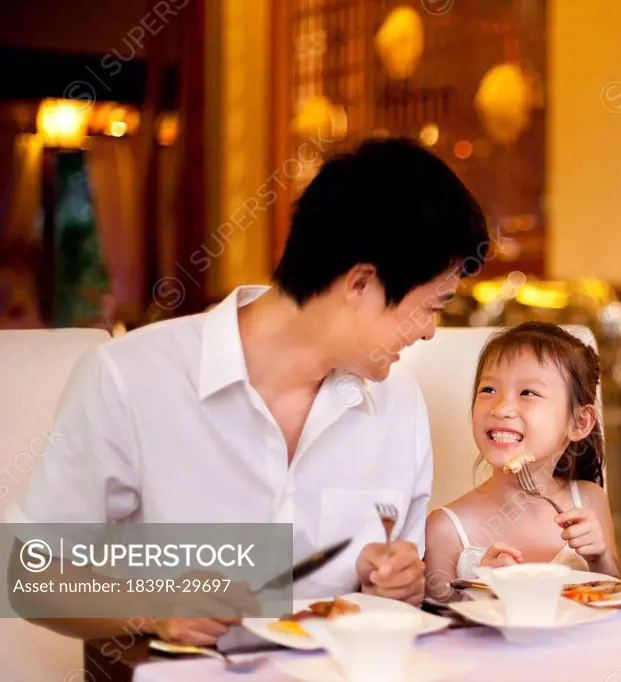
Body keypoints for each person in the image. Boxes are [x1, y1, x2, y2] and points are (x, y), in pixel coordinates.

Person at [6, 137, 490, 644]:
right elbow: (28, 573)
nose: (431, 330)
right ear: (361, 284)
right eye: (432, 306)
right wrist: (153, 606)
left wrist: (395, 584)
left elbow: (399, 591)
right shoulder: (132, 377)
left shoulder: (399, 405)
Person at [423, 322, 620, 602]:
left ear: (579, 422)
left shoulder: (590, 501)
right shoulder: (444, 528)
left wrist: (601, 559)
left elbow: (616, 601)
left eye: (528, 393)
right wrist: (478, 591)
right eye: (488, 390)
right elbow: (437, 630)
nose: (501, 408)